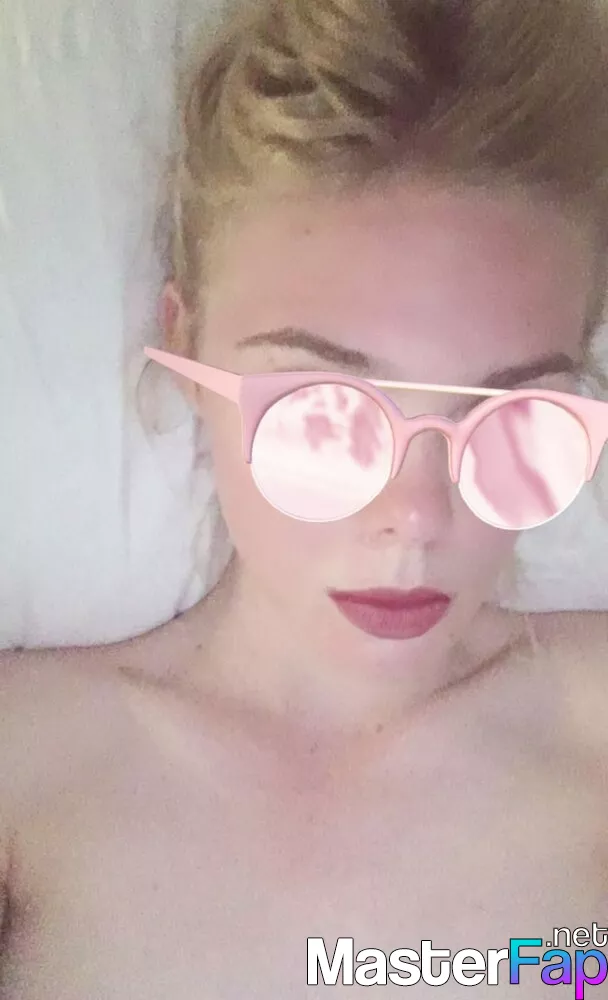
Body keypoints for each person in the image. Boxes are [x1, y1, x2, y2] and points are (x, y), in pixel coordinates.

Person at [2, 0, 608, 996]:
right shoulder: (25, 771)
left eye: (514, 416)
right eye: (322, 415)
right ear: (186, 348)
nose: (417, 519)